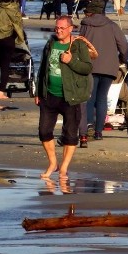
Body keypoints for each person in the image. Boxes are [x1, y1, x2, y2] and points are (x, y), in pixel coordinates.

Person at [35, 15, 93, 179]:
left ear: (70, 28)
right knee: (44, 131)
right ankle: (53, 163)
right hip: (49, 95)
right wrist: (39, 92)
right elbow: (43, 68)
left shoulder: (78, 45)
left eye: (62, 28)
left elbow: (87, 68)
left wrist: (71, 60)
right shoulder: (51, 44)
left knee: (70, 134)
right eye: (56, 28)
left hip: (70, 96)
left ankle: (64, 168)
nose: (58, 31)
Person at [79, 1, 128, 145]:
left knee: (90, 98)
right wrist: (122, 59)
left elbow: (79, 44)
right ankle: (99, 132)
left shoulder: (85, 26)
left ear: (91, 12)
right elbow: (124, 46)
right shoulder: (112, 26)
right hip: (109, 68)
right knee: (101, 98)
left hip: (90, 66)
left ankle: (88, 125)